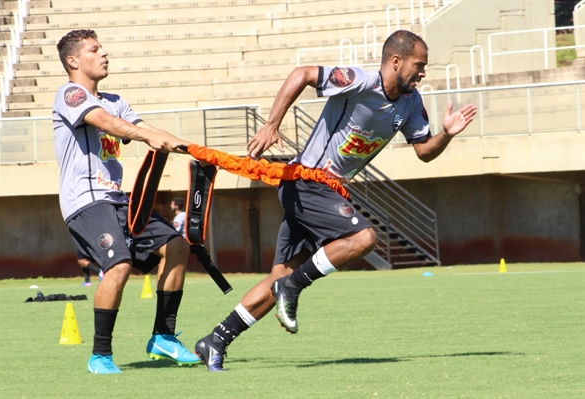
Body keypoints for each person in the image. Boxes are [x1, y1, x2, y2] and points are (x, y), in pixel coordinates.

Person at [193, 30, 477, 371]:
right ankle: (293, 288)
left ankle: (216, 340)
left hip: (321, 192)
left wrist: (446, 133)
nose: (423, 73)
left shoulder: (411, 103)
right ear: (396, 61)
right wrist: (271, 125)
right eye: (419, 65)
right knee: (364, 238)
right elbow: (302, 73)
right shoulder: (360, 81)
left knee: (278, 277)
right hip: (307, 182)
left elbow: (424, 151)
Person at [53, 29, 201, 374]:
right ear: (73, 61)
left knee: (177, 247)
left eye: (102, 47)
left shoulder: (115, 100)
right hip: (85, 202)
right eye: (94, 49)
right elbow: (109, 124)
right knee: (119, 264)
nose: (104, 53)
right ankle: (100, 355)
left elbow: (143, 127)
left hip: (119, 200)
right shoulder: (69, 94)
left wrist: (195, 150)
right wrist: (148, 136)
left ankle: (163, 337)